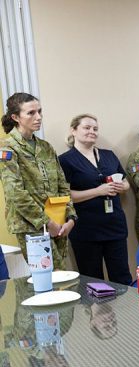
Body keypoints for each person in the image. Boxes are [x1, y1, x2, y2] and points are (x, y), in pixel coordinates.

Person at [0, 93, 76, 269]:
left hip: (58, 222)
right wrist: (46, 222)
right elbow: (15, 193)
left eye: (40, 111)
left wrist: (71, 217)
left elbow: (62, 185)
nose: (38, 117)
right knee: (51, 278)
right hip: (31, 226)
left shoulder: (45, 147)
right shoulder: (7, 148)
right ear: (15, 117)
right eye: (31, 113)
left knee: (61, 276)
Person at [58, 114, 131, 284]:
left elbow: (126, 183)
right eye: (87, 128)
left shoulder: (109, 155)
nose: (92, 132)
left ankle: (129, 311)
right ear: (73, 130)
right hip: (86, 229)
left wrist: (122, 187)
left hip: (115, 226)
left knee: (122, 277)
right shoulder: (65, 161)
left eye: (95, 129)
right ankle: (96, 311)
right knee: (93, 280)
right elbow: (65, 197)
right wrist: (98, 191)